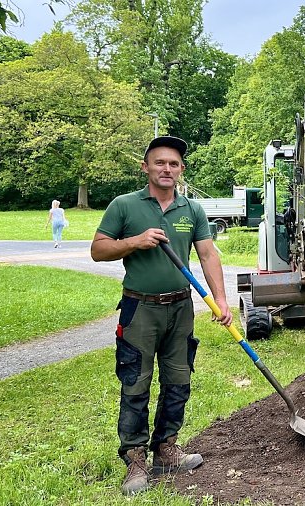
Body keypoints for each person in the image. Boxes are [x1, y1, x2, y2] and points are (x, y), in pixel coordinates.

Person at [91, 136, 233, 495]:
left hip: (181, 307)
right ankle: (135, 458)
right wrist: (134, 242)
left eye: (173, 164)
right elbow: (98, 250)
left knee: (178, 379)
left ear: (181, 169)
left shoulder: (192, 210)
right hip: (140, 307)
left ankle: (166, 448)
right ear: (146, 167)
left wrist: (221, 300)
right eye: (159, 163)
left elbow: (208, 254)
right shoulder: (124, 206)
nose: (166, 169)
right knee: (135, 381)